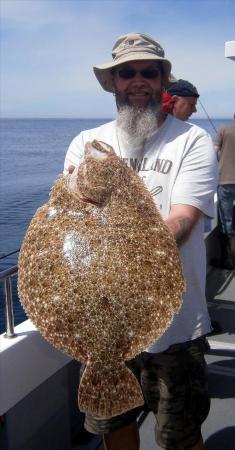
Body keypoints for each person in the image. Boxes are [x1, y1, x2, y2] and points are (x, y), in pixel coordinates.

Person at [64, 32, 218, 450]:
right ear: (112, 81)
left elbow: (183, 219)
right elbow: (73, 221)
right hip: (105, 321)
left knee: (180, 436)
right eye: (126, 72)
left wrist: (115, 247)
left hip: (176, 322)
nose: (137, 80)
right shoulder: (86, 144)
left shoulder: (192, 141)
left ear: (162, 81)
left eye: (147, 72)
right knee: (115, 424)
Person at [214, 114, 235, 269]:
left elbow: (213, 151)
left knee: (226, 219)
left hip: (226, 180)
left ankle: (227, 259)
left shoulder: (224, 130)